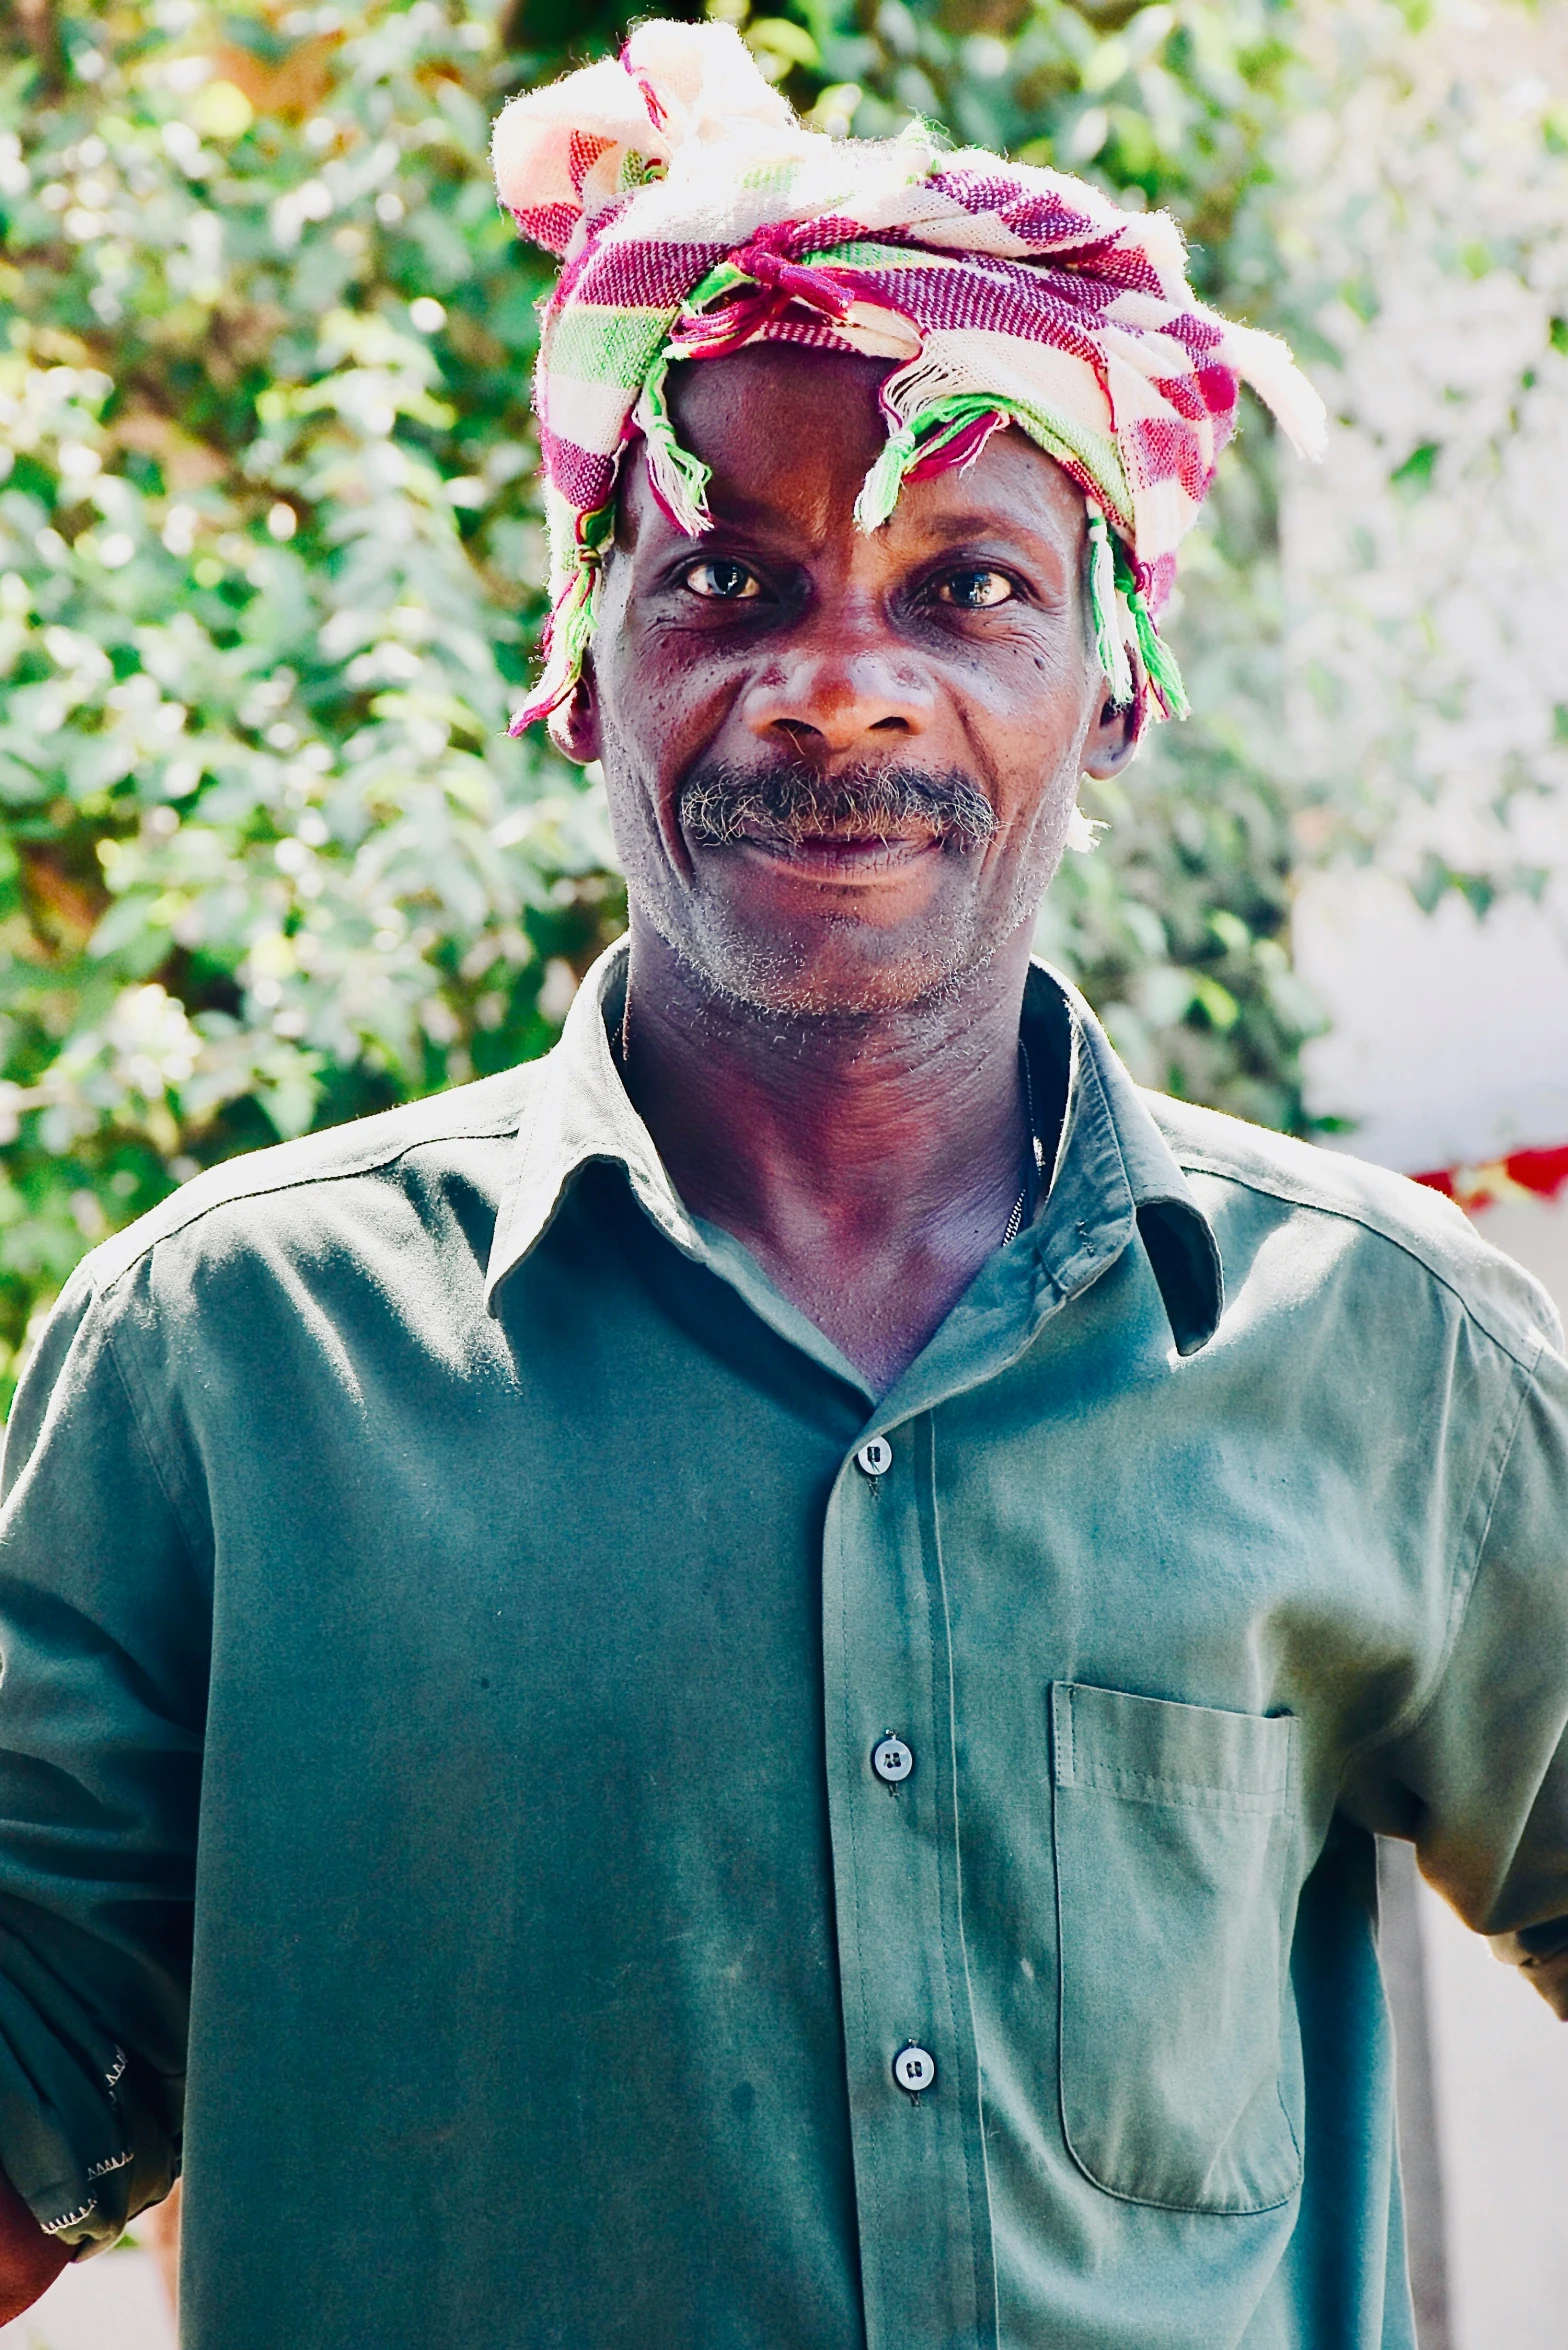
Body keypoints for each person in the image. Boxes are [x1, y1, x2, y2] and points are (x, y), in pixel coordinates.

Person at [0, 22, 1564, 2347]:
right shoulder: (227, 1365)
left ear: (1108, 681)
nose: (840, 686)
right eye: (725, 579)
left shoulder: (1374, 1345)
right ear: (581, 651)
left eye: (967, 592)